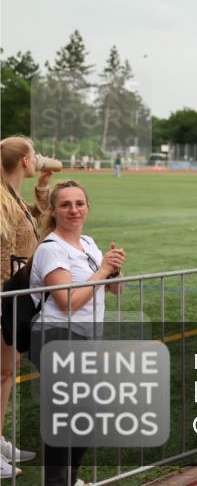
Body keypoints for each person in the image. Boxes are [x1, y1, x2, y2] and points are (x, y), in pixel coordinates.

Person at [28, 180, 124, 486]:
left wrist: (115, 270)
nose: (74, 210)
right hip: (56, 335)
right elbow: (67, 301)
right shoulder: (51, 249)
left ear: (88, 208)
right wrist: (102, 272)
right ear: (53, 211)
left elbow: (114, 290)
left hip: (82, 338)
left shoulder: (89, 244)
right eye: (66, 204)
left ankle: (67, 479)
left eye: (79, 203)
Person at [0, 136, 52, 477]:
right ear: (24, 162)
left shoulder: (11, 195)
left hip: (14, 297)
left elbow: (25, 230)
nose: (38, 160)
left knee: (6, 372)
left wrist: (40, 201)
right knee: (1, 373)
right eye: (34, 155)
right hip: (4, 296)